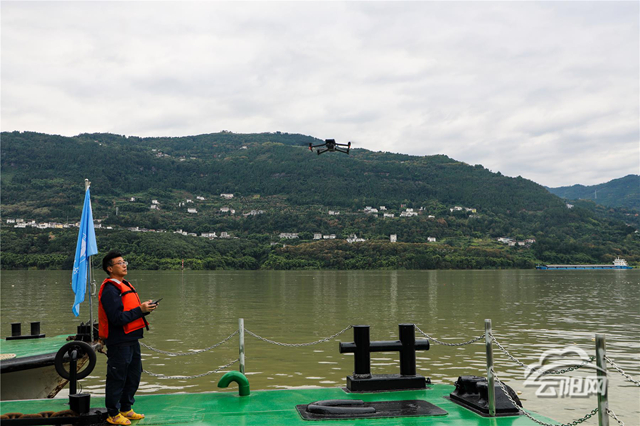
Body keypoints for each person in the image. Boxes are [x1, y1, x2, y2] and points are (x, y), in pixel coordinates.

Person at [99, 250, 157, 425]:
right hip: (119, 341)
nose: (124, 265)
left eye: (125, 262)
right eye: (120, 263)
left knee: (133, 375)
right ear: (110, 268)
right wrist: (140, 310)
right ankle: (113, 413)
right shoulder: (110, 290)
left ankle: (126, 408)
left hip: (132, 339)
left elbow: (130, 312)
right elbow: (116, 318)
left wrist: (145, 309)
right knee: (117, 377)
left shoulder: (125, 285)